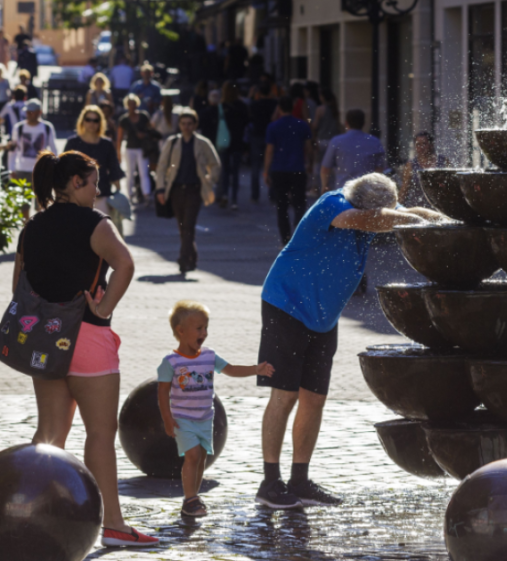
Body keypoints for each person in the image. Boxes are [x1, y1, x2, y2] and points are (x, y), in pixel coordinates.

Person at [255, 173, 445, 509]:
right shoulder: (334, 204)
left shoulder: (376, 206)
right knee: (284, 396)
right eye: (384, 212)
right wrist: (407, 218)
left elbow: (405, 210)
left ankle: (300, 479)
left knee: (313, 398)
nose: (386, 217)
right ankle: (269, 482)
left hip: (323, 316)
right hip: (286, 305)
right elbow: (365, 219)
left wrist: (443, 220)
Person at [16, 150, 158, 547]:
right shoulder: (96, 223)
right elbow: (125, 264)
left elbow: (18, 289)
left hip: (44, 339)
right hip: (88, 336)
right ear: (75, 182)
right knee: (100, 433)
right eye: (93, 183)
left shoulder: (32, 227)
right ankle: (113, 525)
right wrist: (106, 306)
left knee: (49, 434)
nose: (98, 192)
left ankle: (26, 515)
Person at [158, 300, 275, 517]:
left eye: (206, 327)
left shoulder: (209, 356)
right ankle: (190, 498)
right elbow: (162, 392)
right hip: (182, 419)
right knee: (192, 455)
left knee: (201, 457)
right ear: (181, 331)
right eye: (199, 328)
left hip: (205, 418)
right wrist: (167, 418)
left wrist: (255, 370)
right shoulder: (171, 362)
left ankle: (193, 496)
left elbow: (230, 369)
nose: (205, 332)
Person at [155, 108, 222, 274]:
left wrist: (209, 180)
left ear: (195, 125)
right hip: (176, 189)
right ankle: (192, 257)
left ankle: (183, 259)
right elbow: (162, 166)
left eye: (189, 124)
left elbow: (215, 164)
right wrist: (160, 189)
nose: (186, 127)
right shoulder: (172, 142)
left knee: (189, 226)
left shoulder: (202, 143)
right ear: (179, 125)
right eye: (183, 123)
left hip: (195, 189)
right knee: (182, 227)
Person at [65, 105, 125, 231]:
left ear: (100, 123)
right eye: (88, 119)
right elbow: (64, 171)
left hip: (101, 196)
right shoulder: (73, 143)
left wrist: (118, 196)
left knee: (102, 235)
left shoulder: (106, 144)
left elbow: (114, 170)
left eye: (95, 120)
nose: (92, 123)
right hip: (77, 198)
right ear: (82, 121)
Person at [264, 96, 312, 244]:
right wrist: (309, 163)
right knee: (299, 204)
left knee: (282, 206)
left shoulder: (273, 127)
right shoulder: (302, 125)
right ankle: (298, 234)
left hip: (279, 169)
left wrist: (266, 170)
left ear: (279, 108)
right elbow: (309, 147)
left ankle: (285, 238)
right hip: (297, 168)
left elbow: (270, 151)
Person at [319, 109, 385, 194]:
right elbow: (379, 168)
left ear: (346, 123)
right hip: (367, 191)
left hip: (343, 190)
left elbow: (325, 169)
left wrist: (325, 186)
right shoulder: (375, 141)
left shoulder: (337, 141)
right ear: (363, 123)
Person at [5, 99, 57, 193]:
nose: (29, 114)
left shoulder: (47, 127)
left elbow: (54, 149)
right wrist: (11, 169)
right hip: (22, 169)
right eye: (27, 112)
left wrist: (53, 168)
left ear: (39, 112)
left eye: (32, 112)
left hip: (40, 170)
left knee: (41, 204)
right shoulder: (19, 127)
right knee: (23, 204)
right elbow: (13, 150)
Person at [116, 94, 155, 204]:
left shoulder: (143, 116)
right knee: (130, 172)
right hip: (130, 149)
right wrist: (118, 153)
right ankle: (130, 194)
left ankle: (146, 194)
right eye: (129, 104)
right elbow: (119, 138)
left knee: (144, 172)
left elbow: (151, 130)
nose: (132, 107)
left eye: (133, 104)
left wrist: (145, 135)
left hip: (142, 148)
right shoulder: (124, 120)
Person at [216, 81, 249, 209]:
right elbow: (246, 122)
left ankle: (224, 194)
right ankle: (234, 199)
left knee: (224, 170)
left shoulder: (222, 106)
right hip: (238, 141)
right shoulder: (242, 106)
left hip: (224, 141)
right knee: (235, 171)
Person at [399, 131, 449, 208]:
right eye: (418, 144)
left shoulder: (443, 161)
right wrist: (397, 208)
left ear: (431, 145)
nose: (421, 147)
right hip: (417, 209)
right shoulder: (411, 165)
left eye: (424, 144)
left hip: (439, 208)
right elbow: (404, 190)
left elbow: (451, 186)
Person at [248, 85, 278, 203]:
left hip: (256, 135)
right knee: (271, 164)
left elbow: (249, 116)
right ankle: (272, 194)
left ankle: (255, 195)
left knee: (255, 166)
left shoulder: (254, 104)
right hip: (271, 135)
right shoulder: (274, 103)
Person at [310, 90, 342, 190]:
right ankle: (332, 185)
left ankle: (317, 186)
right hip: (333, 140)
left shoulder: (320, 109)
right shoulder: (335, 109)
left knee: (318, 163)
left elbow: (315, 125)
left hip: (322, 139)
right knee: (333, 165)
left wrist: (309, 122)